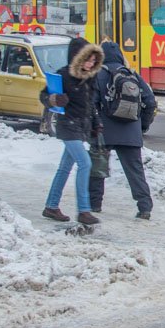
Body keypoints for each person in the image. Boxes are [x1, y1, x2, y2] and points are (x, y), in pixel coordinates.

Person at [40, 36, 104, 226]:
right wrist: (54, 100)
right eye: (88, 59)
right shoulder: (64, 75)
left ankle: (51, 206)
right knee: (85, 163)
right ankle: (84, 210)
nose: (91, 63)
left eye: (94, 61)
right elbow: (44, 96)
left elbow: (91, 106)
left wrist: (96, 124)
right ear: (77, 57)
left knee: (65, 168)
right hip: (67, 126)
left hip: (81, 127)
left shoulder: (90, 79)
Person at [91, 41, 157, 219]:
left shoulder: (97, 75)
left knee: (98, 168)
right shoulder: (133, 75)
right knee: (135, 171)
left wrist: (93, 126)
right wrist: (142, 125)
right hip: (131, 131)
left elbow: (91, 103)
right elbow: (150, 102)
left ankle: (95, 205)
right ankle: (145, 207)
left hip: (104, 132)